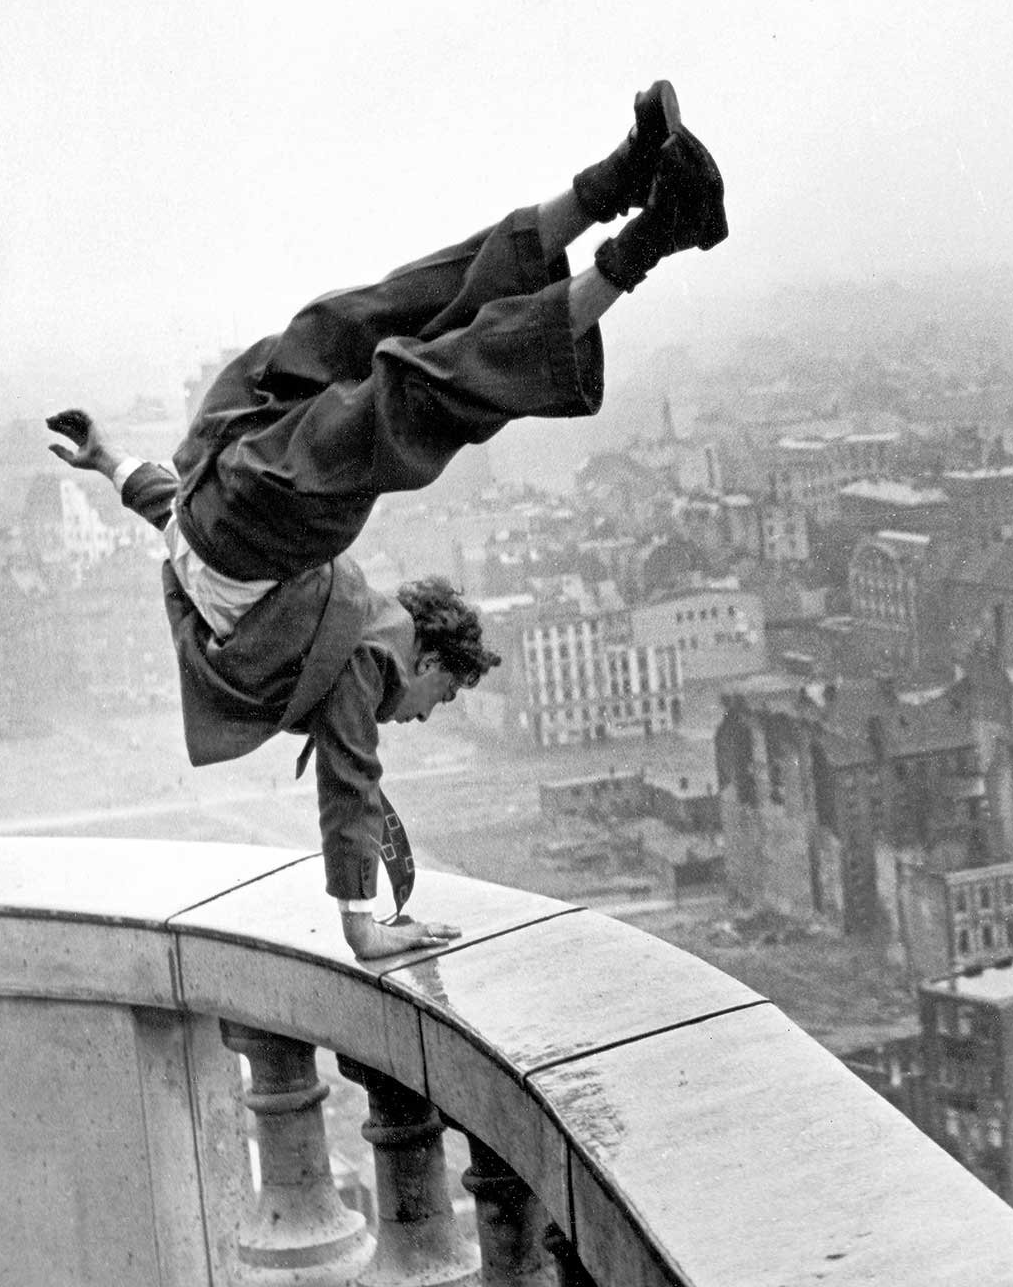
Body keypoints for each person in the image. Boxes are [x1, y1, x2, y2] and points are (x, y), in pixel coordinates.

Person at [46, 80, 726, 961]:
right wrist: (365, 928)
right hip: (238, 488)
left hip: (219, 463)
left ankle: (634, 199)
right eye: (440, 699)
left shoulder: (347, 640)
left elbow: (175, 524)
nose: (422, 716)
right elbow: (351, 780)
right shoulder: (366, 655)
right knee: (406, 369)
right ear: (429, 657)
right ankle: (643, 223)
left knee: (382, 328)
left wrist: (106, 461)